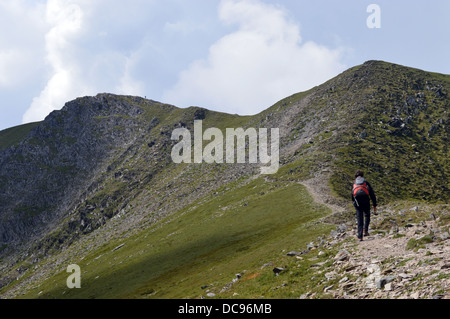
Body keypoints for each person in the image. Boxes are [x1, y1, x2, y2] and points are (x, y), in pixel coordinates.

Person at [351, 170, 377, 241]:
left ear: (355, 177)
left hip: (358, 202)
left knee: (360, 217)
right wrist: (374, 205)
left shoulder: (354, 183)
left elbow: (352, 194)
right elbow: (372, 194)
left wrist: (354, 203)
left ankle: (360, 236)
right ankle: (366, 230)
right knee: (367, 215)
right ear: (362, 176)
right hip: (366, 200)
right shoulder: (365, 182)